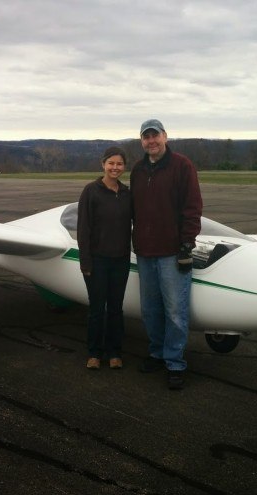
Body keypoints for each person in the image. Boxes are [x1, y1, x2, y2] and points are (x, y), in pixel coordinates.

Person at [130, 119, 202, 389]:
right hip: (145, 252)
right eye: (146, 137)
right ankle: (157, 353)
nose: (151, 141)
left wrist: (186, 244)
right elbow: (133, 209)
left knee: (175, 311)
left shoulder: (182, 165)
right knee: (150, 310)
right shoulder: (137, 170)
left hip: (172, 253)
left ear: (165, 137)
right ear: (141, 141)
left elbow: (193, 207)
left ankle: (174, 362)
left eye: (155, 136)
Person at [77, 146, 132, 370]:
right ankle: (94, 353)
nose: (115, 168)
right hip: (97, 262)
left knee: (116, 309)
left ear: (124, 167)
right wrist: (85, 263)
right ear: (103, 164)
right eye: (111, 163)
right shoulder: (91, 191)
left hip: (120, 261)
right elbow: (83, 229)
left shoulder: (127, 194)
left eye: (119, 164)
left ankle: (114, 352)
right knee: (97, 309)